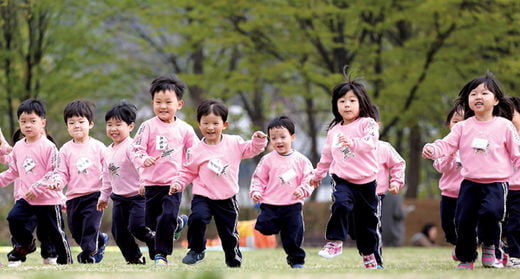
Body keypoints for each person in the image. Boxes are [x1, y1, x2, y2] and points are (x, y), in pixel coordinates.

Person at [422, 74, 517, 270]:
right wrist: (432, 149)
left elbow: (516, 153)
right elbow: (446, 145)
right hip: (470, 183)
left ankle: (490, 247)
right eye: (473, 94)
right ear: (467, 101)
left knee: (492, 214)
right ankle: (466, 258)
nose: (478, 96)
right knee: (463, 220)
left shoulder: (504, 126)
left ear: (496, 99)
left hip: (496, 183)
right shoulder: (463, 127)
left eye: (484, 93)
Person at [169, 99, 267, 268]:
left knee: (228, 232)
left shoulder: (234, 142)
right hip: (203, 195)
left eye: (215, 123)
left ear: (225, 124)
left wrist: (258, 140)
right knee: (197, 219)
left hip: (226, 197)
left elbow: (251, 149)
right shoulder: (196, 150)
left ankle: (232, 256)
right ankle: (196, 250)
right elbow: (187, 172)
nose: (210, 127)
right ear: (199, 124)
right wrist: (178, 183)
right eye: (205, 123)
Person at [310, 79, 380, 269]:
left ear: (361, 103)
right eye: (342, 101)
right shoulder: (334, 131)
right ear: (336, 105)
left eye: (351, 100)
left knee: (366, 222)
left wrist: (353, 142)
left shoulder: (368, 123)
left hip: (366, 182)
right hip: (342, 179)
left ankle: (368, 254)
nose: (347, 105)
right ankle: (335, 241)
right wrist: (317, 175)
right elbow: (326, 156)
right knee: (341, 204)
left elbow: (371, 141)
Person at [130, 75, 197, 265]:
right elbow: (135, 149)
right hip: (151, 184)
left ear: (180, 104)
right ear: (152, 103)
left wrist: (190, 173)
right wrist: (144, 160)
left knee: (167, 216)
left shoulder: (185, 129)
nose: (163, 106)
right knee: (151, 224)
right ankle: (178, 224)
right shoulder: (147, 126)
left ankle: (162, 255)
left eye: (168, 102)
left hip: (173, 183)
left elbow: (196, 152)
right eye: (158, 102)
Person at [0, 99, 72, 267]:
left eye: (33, 121)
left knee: (56, 233)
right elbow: (14, 171)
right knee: (14, 218)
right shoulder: (18, 146)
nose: (28, 125)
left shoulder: (48, 147)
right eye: (23, 122)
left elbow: (54, 171)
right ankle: (27, 244)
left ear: (43, 123)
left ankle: (66, 260)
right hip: (28, 199)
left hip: (48, 200)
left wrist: (38, 187)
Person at [48, 100, 109, 264]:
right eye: (71, 123)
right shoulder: (65, 150)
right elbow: (62, 173)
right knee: (76, 231)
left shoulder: (99, 147)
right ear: (67, 126)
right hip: (73, 197)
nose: (76, 126)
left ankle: (88, 255)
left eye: (81, 122)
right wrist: (57, 183)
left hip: (94, 195)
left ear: (90, 124)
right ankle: (100, 240)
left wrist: (106, 186)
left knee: (90, 226)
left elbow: (108, 169)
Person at [249, 116, 314, 269]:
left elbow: (309, 178)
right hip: (271, 204)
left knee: (292, 237)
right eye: (274, 138)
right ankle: (277, 225)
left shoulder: (301, 160)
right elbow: (259, 178)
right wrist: (256, 192)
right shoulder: (267, 160)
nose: (278, 141)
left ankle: (297, 261)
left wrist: (302, 189)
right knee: (264, 228)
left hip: (292, 205)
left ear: (292, 137)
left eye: (283, 137)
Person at [96, 102, 156, 264]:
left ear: (130, 126)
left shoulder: (132, 147)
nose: (113, 128)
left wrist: (144, 182)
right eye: (109, 125)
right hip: (119, 199)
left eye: (118, 124)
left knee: (136, 227)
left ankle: (153, 240)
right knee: (118, 231)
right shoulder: (107, 151)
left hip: (138, 196)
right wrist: (104, 196)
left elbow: (141, 166)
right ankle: (134, 258)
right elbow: (107, 176)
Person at [372, 105, 406, 268]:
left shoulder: (383, 148)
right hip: (356, 194)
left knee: (373, 226)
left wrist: (396, 181)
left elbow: (398, 163)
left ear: (377, 126)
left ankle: (376, 260)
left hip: (376, 195)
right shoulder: (351, 149)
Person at [432, 104, 464, 259]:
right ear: (449, 124)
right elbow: (441, 167)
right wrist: (450, 154)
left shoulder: (473, 145)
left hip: (469, 193)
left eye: (464, 121)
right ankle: (457, 244)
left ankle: (468, 246)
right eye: (456, 121)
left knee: (466, 223)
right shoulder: (442, 145)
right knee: (448, 226)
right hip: (448, 194)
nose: (460, 125)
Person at [505, 96, 520, 268]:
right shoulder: (500, 137)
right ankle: (501, 253)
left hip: (518, 189)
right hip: (500, 186)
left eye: (511, 114)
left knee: (516, 223)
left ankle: (515, 255)